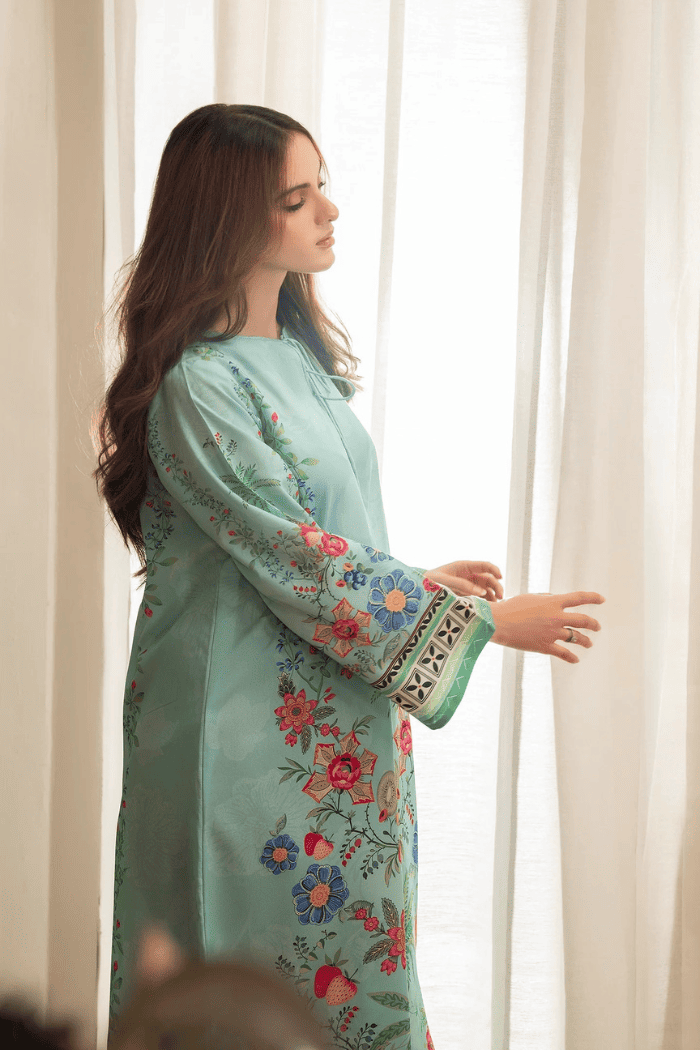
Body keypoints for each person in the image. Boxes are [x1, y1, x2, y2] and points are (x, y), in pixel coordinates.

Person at [94, 103, 605, 1049]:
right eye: (298, 196)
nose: (329, 210)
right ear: (228, 215)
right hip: (236, 738)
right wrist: (490, 626)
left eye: (320, 183)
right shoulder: (198, 385)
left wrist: (425, 584)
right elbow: (295, 558)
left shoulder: (295, 360)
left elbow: (304, 537)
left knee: (354, 975)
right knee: (242, 976)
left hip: (336, 720)